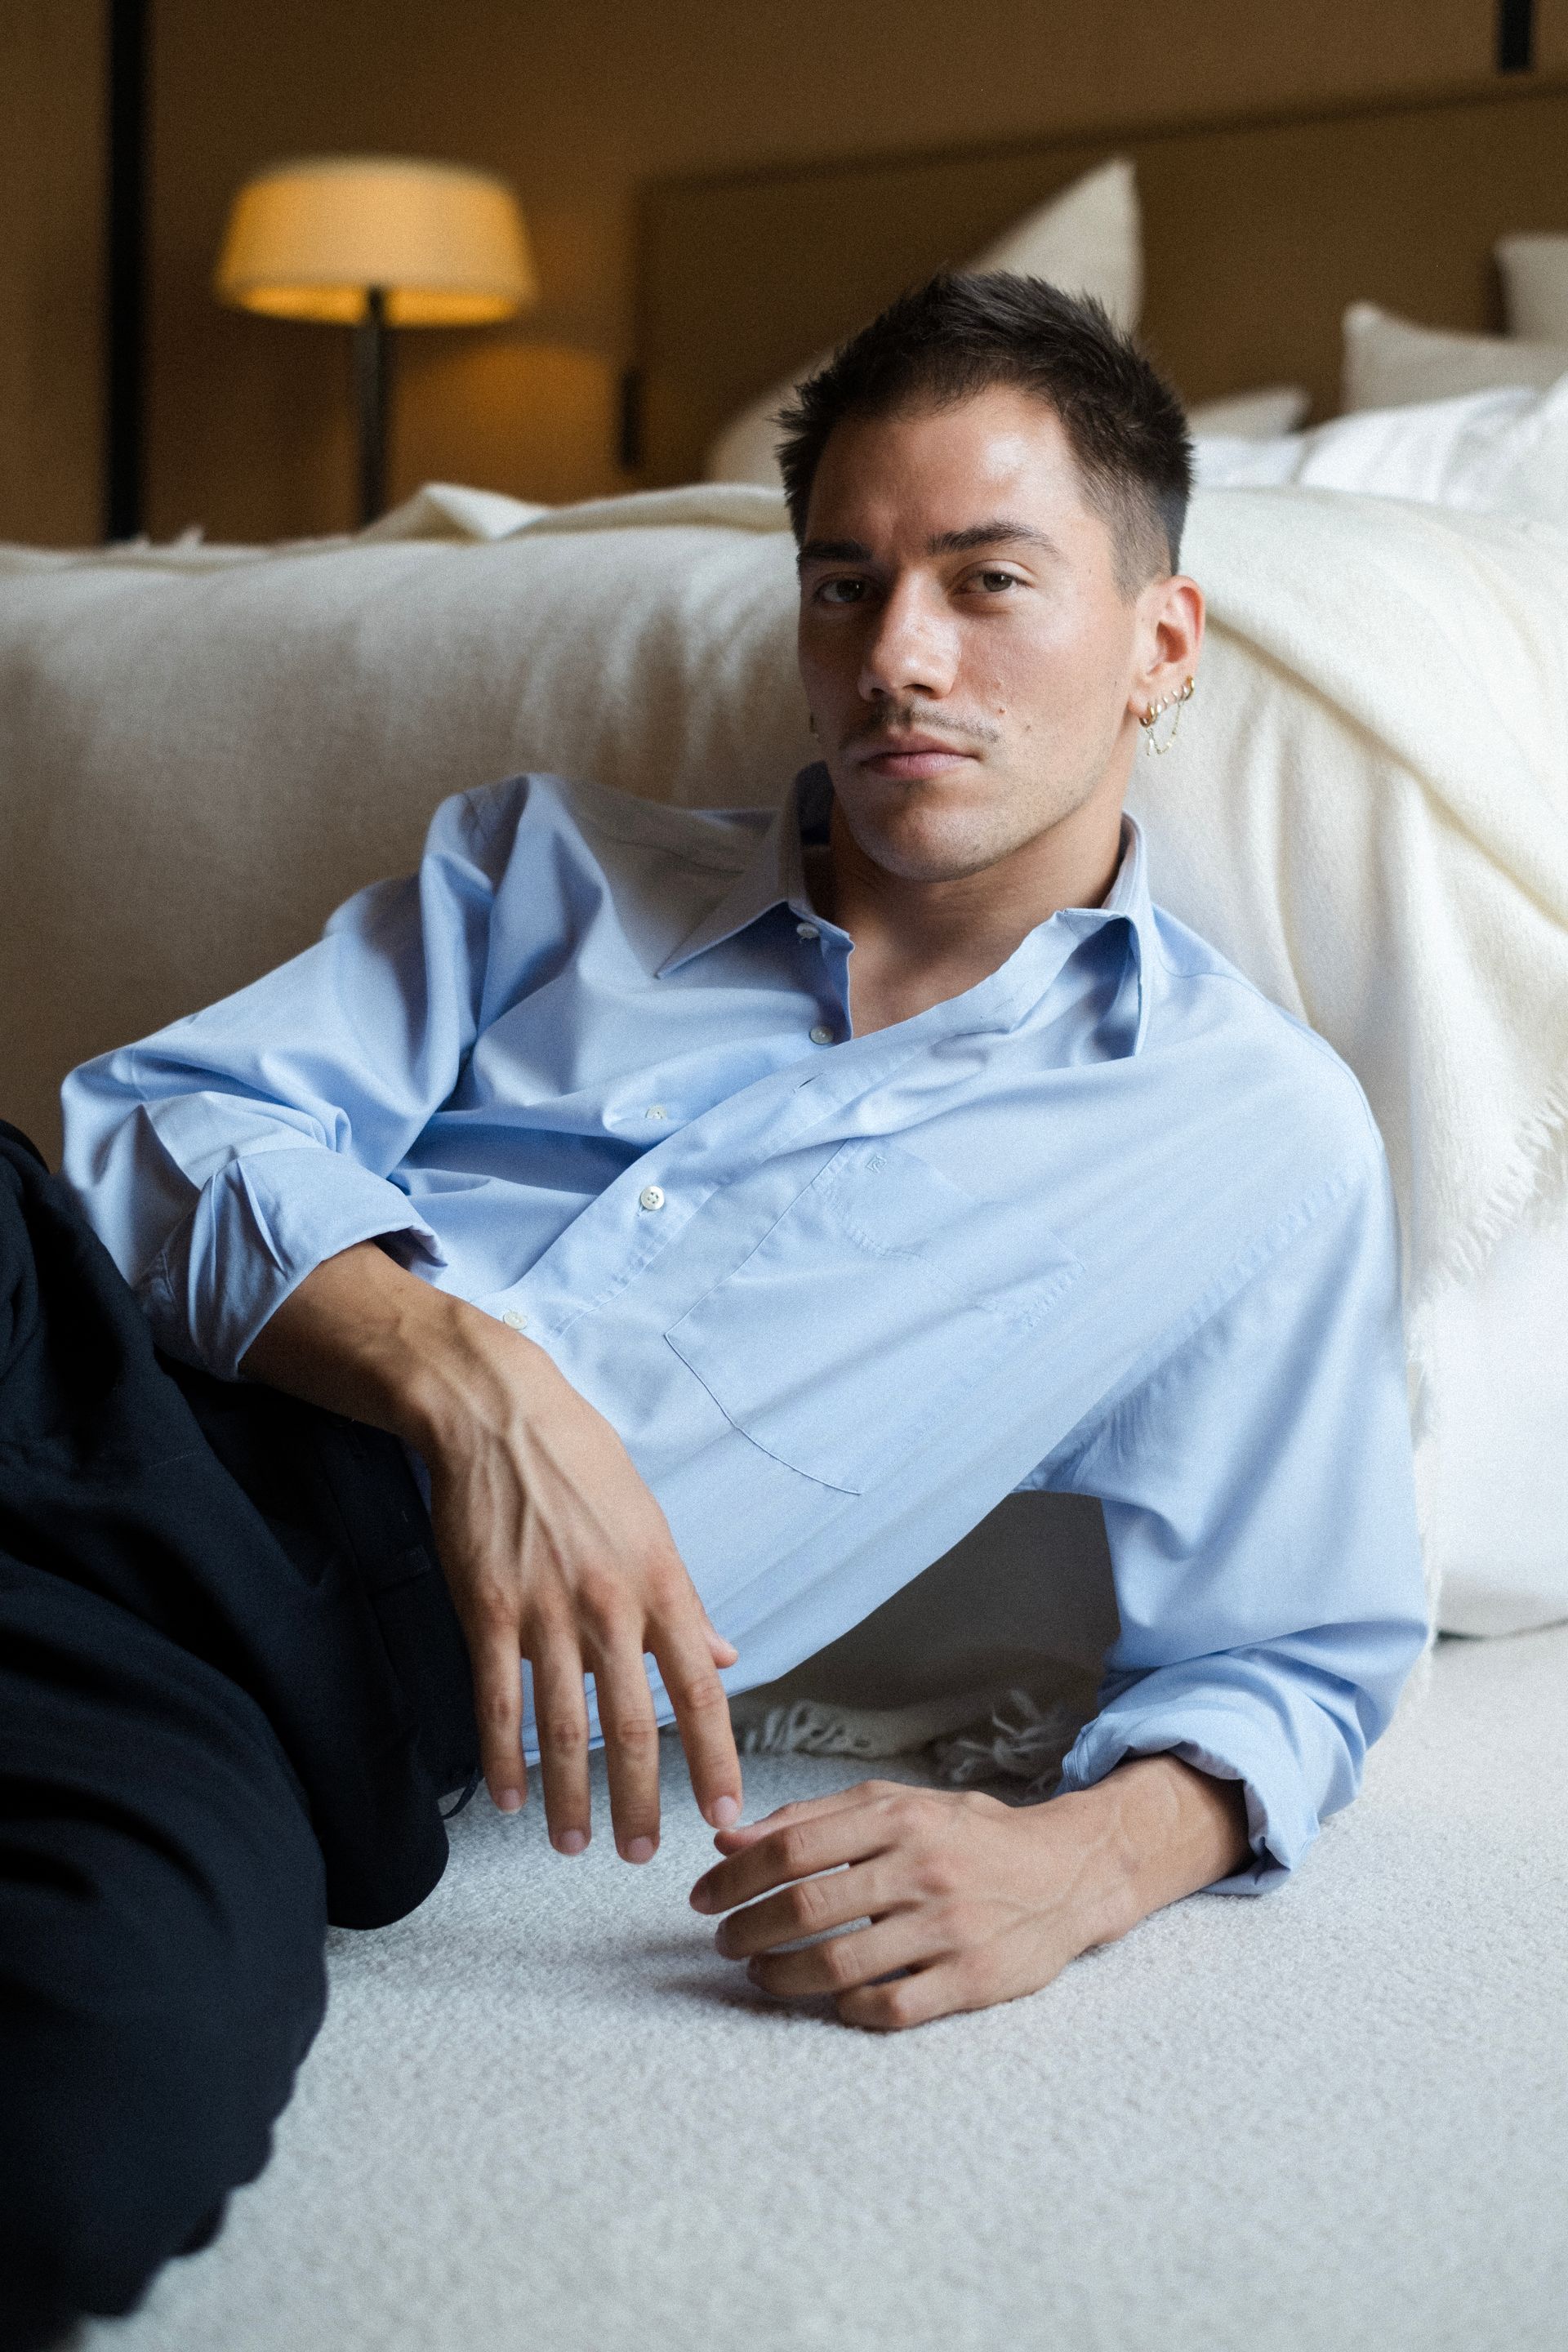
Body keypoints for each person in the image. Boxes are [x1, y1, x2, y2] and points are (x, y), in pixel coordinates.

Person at [5, 272, 1428, 2344]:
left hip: (276, 1692)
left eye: (986, 581)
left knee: (79, 2155)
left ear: (1163, 646)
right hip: (72, 1357)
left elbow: (1299, 1653)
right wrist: (469, 1382)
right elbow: (157, 1125)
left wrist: (1080, 1870)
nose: (898, 660)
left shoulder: (1246, 1138)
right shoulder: (550, 867)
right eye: (844, 587)